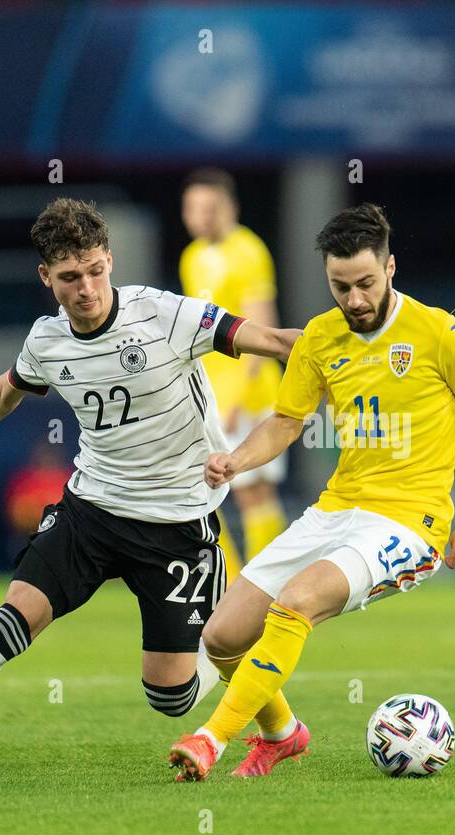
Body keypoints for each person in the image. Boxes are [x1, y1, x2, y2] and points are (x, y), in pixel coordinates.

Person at [0, 198, 300, 780]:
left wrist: (355, 350)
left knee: (170, 698)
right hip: (92, 511)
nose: (86, 288)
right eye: (69, 277)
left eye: (95, 270)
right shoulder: (48, 341)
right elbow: (3, 394)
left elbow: (273, 340)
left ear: (110, 259)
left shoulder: (166, 315)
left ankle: (257, 685)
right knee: (9, 621)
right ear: (46, 277)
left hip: (178, 523)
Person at [166, 203, 455, 781]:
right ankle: (281, 735)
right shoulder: (321, 338)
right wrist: (235, 459)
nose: (353, 299)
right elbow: (285, 423)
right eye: (340, 286)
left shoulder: (441, 334)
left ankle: (209, 739)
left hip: (408, 524)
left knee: (297, 601)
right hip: (337, 509)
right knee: (223, 637)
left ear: (391, 268)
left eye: (365, 283)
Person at [180, 168, 288, 578]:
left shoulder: (248, 251)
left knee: (251, 490)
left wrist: (237, 400)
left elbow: (263, 327)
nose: (201, 216)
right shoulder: (192, 257)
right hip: (211, 393)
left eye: (210, 207)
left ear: (231, 208)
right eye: (193, 208)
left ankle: (265, 579)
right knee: (206, 491)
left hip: (249, 393)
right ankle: (233, 582)